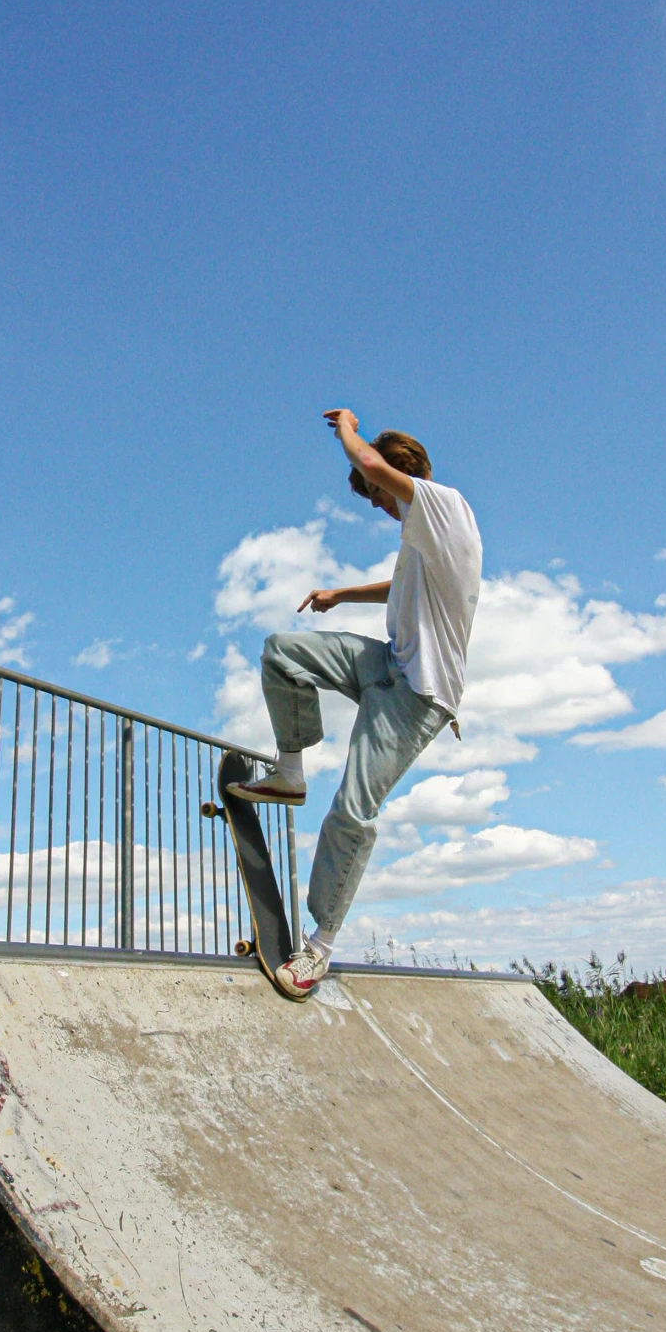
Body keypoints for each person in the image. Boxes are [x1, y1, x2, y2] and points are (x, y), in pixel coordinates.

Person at [228, 408, 481, 999]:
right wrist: (342, 594)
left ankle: (318, 948)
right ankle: (289, 773)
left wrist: (347, 426)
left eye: (375, 495)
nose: (375, 505)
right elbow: (403, 587)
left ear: (397, 473)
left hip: (418, 697)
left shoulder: (443, 505)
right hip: (386, 665)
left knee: (353, 809)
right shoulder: (426, 538)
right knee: (283, 652)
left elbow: (366, 458)